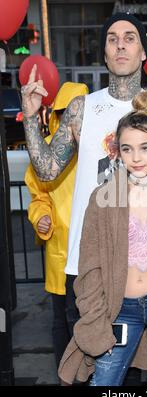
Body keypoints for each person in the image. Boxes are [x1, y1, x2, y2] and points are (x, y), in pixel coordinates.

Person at [20, 13, 147, 335]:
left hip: (141, 264)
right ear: (104, 52)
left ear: (144, 52)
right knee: (85, 358)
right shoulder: (81, 108)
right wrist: (32, 118)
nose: (121, 45)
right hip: (86, 257)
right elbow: (47, 171)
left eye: (130, 38)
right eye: (112, 39)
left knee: (131, 367)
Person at [57, 89, 147, 386]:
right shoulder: (103, 198)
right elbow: (89, 267)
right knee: (105, 383)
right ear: (118, 151)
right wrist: (95, 316)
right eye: (127, 149)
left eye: (146, 147)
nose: (136, 158)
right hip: (119, 306)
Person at [24, 82, 89, 368]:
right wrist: (41, 218)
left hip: (93, 253)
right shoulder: (45, 151)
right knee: (61, 320)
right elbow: (38, 197)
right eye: (65, 114)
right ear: (56, 116)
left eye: (79, 113)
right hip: (61, 252)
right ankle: (65, 374)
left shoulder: (103, 148)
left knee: (95, 319)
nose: (71, 121)